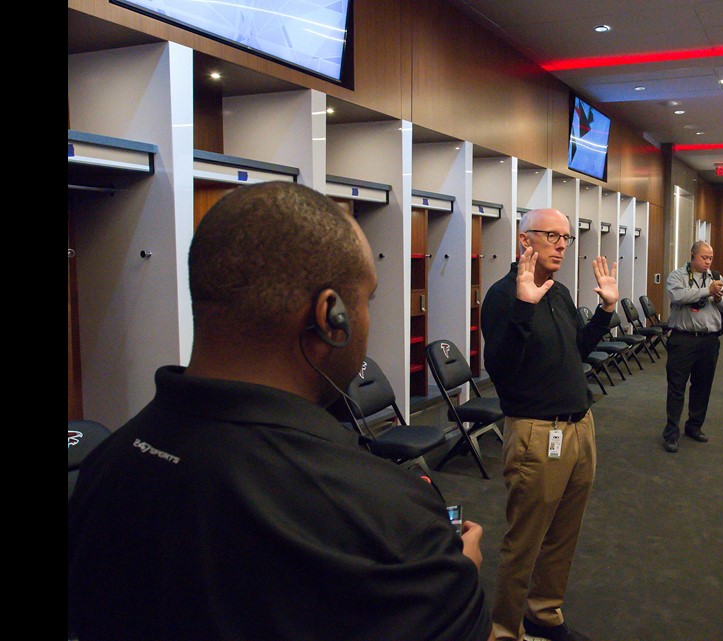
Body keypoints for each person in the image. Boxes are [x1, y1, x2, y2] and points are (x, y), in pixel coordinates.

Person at [68, 182, 492, 641]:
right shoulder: (387, 514)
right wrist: (457, 582)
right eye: (366, 300)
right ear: (331, 315)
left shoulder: (103, 467)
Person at [481, 208, 619, 641]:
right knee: (525, 542)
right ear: (526, 241)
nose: (562, 245)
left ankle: (544, 613)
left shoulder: (557, 293)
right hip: (536, 434)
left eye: (566, 238)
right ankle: (505, 630)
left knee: (563, 534)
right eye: (552, 236)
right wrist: (524, 307)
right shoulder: (504, 296)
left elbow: (578, 351)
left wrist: (605, 310)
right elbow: (499, 368)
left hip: (579, 428)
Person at [661, 240, 723, 452]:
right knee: (676, 387)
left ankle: (694, 426)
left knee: (702, 386)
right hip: (683, 339)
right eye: (703, 257)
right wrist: (706, 291)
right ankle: (671, 433)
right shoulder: (677, 276)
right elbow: (677, 295)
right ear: (692, 256)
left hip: (709, 340)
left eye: (710, 258)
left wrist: (718, 298)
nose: (707, 262)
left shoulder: (717, 277)